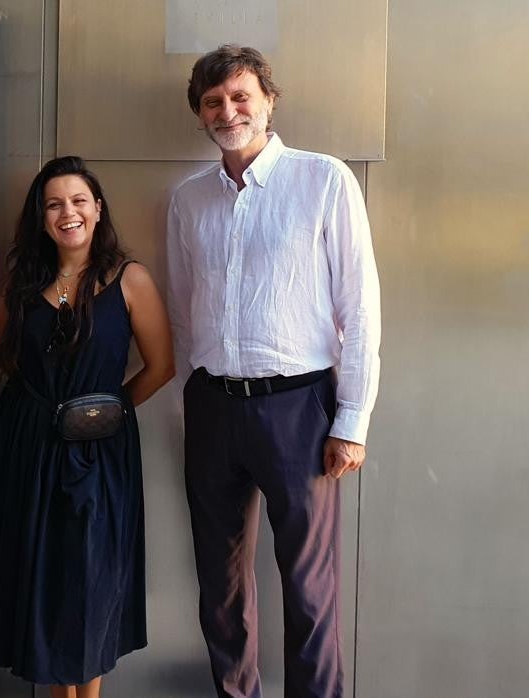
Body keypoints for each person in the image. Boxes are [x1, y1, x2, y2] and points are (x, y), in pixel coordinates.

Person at [166, 45, 381, 698]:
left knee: (309, 589)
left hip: (301, 411)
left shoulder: (324, 180)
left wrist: (353, 420)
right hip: (212, 408)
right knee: (220, 586)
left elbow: (360, 305)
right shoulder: (188, 200)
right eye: (213, 102)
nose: (227, 110)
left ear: (267, 100)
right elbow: (183, 308)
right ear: (200, 114)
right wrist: (190, 403)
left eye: (239, 97)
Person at [0, 156, 175, 698]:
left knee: (88, 585)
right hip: (26, 449)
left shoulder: (128, 279)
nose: (67, 212)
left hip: (98, 457)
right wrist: (42, 409)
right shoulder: (23, 280)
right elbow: (3, 354)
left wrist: (102, 414)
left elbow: (162, 367)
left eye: (77, 201)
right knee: (38, 580)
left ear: (97, 208)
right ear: (41, 218)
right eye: (54, 204)